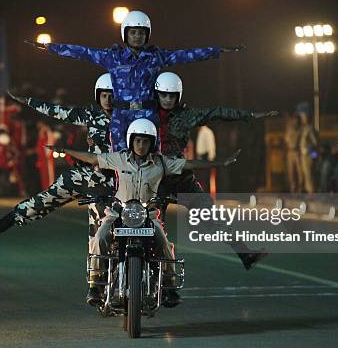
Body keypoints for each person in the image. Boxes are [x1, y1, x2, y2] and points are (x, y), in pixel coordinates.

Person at [49, 118, 237, 306]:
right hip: (118, 213)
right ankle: (95, 286)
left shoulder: (161, 163)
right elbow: (92, 158)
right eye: (138, 141)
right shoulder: (119, 158)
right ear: (131, 141)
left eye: (145, 141)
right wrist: (65, 150)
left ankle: (169, 286)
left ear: (152, 143)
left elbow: (190, 164)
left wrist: (221, 163)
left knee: (164, 242)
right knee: (99, 238)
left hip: (148, 214)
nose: (141, 145)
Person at [27, 10, 245, 151]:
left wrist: (216, 51)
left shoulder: (155, 56)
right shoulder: (112, 57)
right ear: (125, 34)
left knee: (153, 158)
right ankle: (121, 206)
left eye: (141, 33)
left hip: (148, 113)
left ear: (147, 35)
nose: (137, 37)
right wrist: (50, 47)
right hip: (121, 114)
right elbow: (81, 52)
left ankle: (152, 207)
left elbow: (186, 55)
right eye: (133, 32)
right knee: (120, 160)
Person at [153, 71, 277, 269]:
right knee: (152, 230)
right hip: (152, 179)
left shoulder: (186, 115)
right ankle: (158, 278)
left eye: (172, 95)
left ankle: (244, 254)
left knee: (211, 216)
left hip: (181, 177)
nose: (167, 99)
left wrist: (249, 115)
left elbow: (217, 112)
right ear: (156, 94)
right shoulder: (143, 114)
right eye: (163, 95)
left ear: (179, 96)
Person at [0, 74, 116, 242]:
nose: (107, 99)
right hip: (85, 173)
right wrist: (28, 101)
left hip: (113, 180)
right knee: (42, 200)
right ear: (97, 96)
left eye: (112, 95)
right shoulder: (91, 115)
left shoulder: (128, 120)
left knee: (101, 231)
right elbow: (57, 111)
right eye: (104, 95)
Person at [298, 112, 318, 193]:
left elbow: (315, 142)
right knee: (306, 174)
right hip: (303, 155)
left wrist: (312, 154)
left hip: (308, 155)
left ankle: (312, 192)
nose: (303, 119)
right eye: (302, 117)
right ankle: (309, 191)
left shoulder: (310, 128)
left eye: (304, 117)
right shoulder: (303, 128)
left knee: (309, 174)